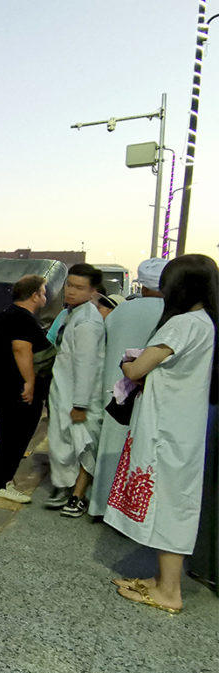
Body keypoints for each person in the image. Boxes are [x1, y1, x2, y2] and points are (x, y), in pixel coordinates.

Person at [105, 254, 218, 614]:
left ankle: (169, 592)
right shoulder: (203, 322)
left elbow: (137, 369)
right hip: (179, 427)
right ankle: (161, 581)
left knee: (169, 504)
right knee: (169, 501)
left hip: (167, 429)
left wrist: (126, 361)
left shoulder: (182, 324)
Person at [87, 258, 167, 518]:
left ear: (141, 284)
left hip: (113, 391)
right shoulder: (171, 313)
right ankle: (130, 511)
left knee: (110, 448)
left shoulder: (121, 311)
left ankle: (100, 505)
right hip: (146, 393)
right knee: (140, 452)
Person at [46, 263, 105, 517]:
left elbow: (87, 365)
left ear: (93, 291)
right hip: (65, 393)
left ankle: (78, 496)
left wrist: (80, 404)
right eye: (69, 285)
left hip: (80, 398)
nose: (70, 291)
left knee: (84, 446)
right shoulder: (73, 314)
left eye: (79, 287)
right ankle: (68, 490)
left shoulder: (88, 322)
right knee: (66, 445)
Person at [0, 274, 50, 502]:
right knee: (15, 437)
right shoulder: (23, 319)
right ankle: (0, 484)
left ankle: (3, 479)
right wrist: (30, 383)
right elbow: (21, 350)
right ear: (34, 295)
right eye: (43, 291)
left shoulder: (6, 315)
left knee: (9, 436)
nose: (45, 295)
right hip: (14, 390)